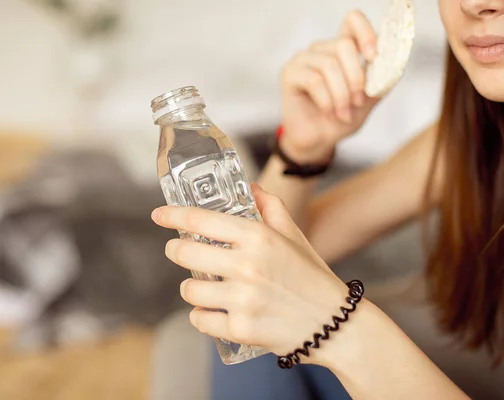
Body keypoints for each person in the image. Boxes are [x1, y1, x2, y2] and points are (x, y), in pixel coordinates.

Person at [151, 1, 504, 399]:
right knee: (212, 335)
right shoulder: (478, 136)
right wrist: (302, 149)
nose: (476, 3)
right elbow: (261, 266)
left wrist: (338, 326)